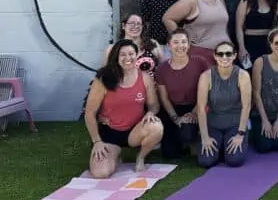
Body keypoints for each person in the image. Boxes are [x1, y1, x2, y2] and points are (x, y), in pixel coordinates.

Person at [84, 39, 164, 178]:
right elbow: (90, 113)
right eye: (123, 55)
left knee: (156, 126)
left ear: (137, 55)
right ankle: (115, 154)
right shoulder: (103, 79)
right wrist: (96, 141)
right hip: (110, 132)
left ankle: (140, 157)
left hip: (134, 131)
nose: (128, 58)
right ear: (116, 57)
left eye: (131, 54)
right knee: (100, 173)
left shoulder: (144, 78)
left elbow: (154, 105)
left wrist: (150, 112)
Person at [196, 41, 252, 168]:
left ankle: (228, 145)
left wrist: (240, 134)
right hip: (213, 124)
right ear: (215, 56)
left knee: (234, 160)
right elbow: (200, 108)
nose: (224, 57)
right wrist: (204, 137)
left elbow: (246, 106)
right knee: (206, 161)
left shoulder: (243, 76)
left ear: (234, 55)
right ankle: (220, 146)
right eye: (220, 54)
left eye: (228, 54)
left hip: (235, 124)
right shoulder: (206, 76)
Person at [156, 28, 209, 159]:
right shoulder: (162, 68)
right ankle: (183, 140)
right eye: (176, 42)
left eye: (184, 42)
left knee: (187, 134)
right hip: (173, 108)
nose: (180, 46)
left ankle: (193, 138)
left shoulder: (200, 62)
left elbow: (208, 89)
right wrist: (175, 118)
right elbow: (164, 98)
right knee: (170, 154)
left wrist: (193, 113)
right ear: (169, 45)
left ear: (189, 45)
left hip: (197, 105)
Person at [163, 0, 230, 67]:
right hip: (201, 54)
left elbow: (223, 25)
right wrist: (183, 40)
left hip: (224, 53)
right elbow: (167, 18)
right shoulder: (191, 0)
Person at [235, 0, 278, 70]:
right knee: (248, 74)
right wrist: (242, 48)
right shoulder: (246, 2)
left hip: (267, 46)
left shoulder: (272, 4)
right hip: (249, 46)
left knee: (264, 75)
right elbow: (238, 27)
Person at [103, 13, 163, 80]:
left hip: (152, 88)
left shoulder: (152, 44)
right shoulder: (112, 49)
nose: (136, 26)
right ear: (123, 26)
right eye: (132, 23)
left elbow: (164, 69)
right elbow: (106, 74)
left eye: (139, 24)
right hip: (124, 89)